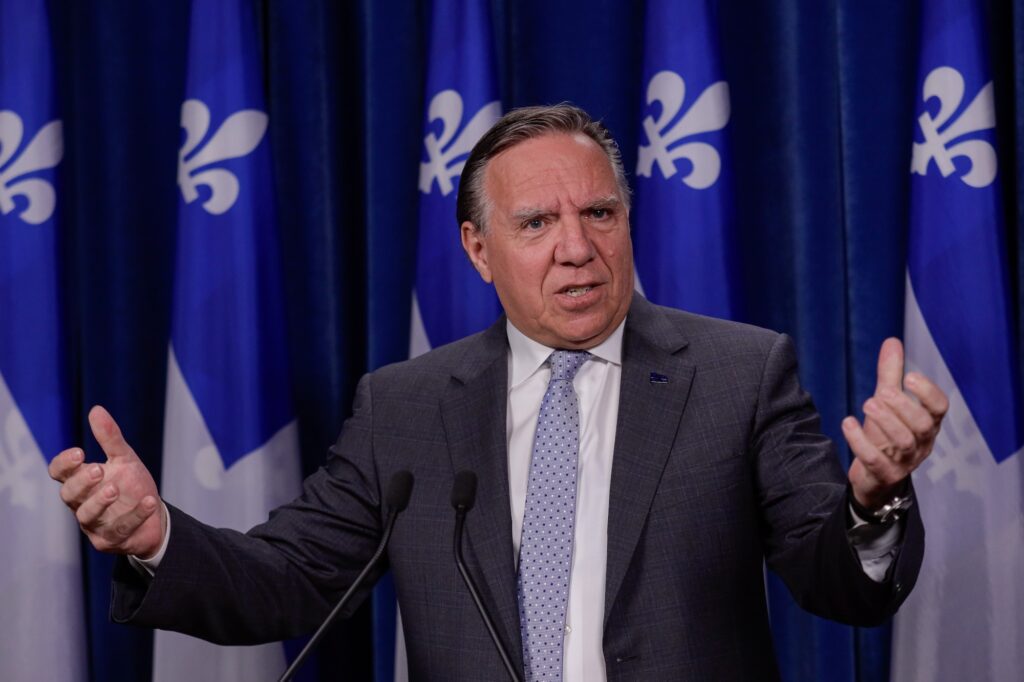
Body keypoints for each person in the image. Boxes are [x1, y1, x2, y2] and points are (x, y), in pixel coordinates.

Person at [50, 104, 947, 681]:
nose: (577, 247)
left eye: (599, 214)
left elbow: (838, 584)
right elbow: (289, 581)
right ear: (480, 250)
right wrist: (155, 537)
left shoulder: (738, 375)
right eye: (537, 222)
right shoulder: (406, 407)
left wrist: (873, 500)